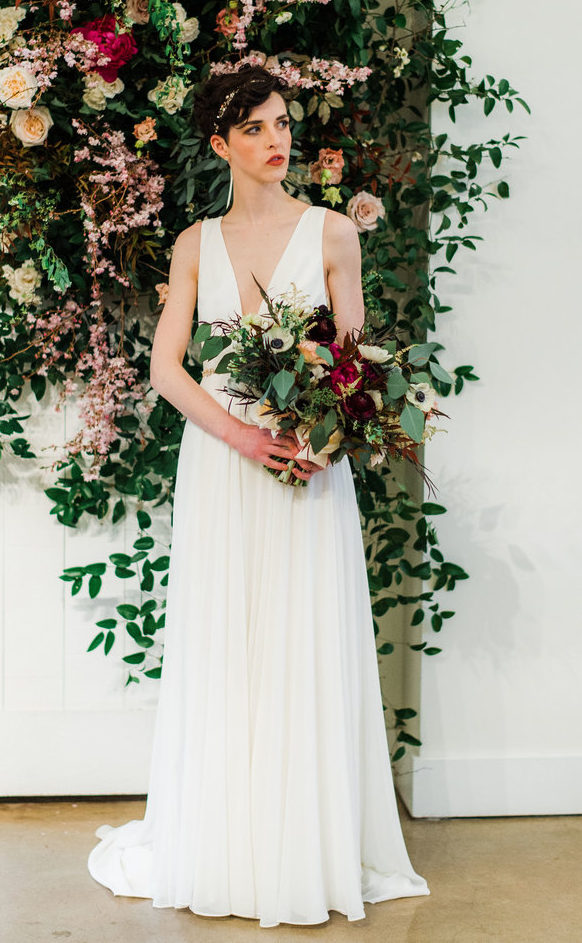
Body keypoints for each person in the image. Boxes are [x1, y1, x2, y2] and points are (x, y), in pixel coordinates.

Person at [87, 65, 430, 926]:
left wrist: (323, 437)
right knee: (229, 643)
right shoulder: (195, 243)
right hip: (225, 464)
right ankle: (229, 837)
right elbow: (167, 367)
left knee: (301, 639)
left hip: (308, 468)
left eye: (283, 123)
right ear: (220, 145)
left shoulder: (331, 236)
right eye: (256, 130)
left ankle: (305, 844)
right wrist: (242, 436)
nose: (278, 141)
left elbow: (354, 366)